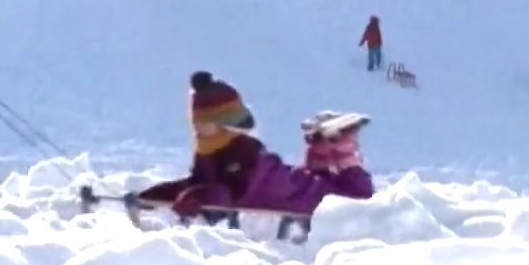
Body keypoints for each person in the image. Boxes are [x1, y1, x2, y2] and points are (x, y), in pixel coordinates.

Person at [135, 72, 373, 221]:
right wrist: (150, 197)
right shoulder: (209, 151)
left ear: (221, 125)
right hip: (292, 187)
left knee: (355, 199)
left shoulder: (239, 151)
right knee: (317, 181)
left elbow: (229, 193)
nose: (197, 128)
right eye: (196, 122)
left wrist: (194, 197)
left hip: (299, 195)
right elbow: (198, 183)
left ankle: (342, 148)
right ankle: (322, 147)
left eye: (204, 123)